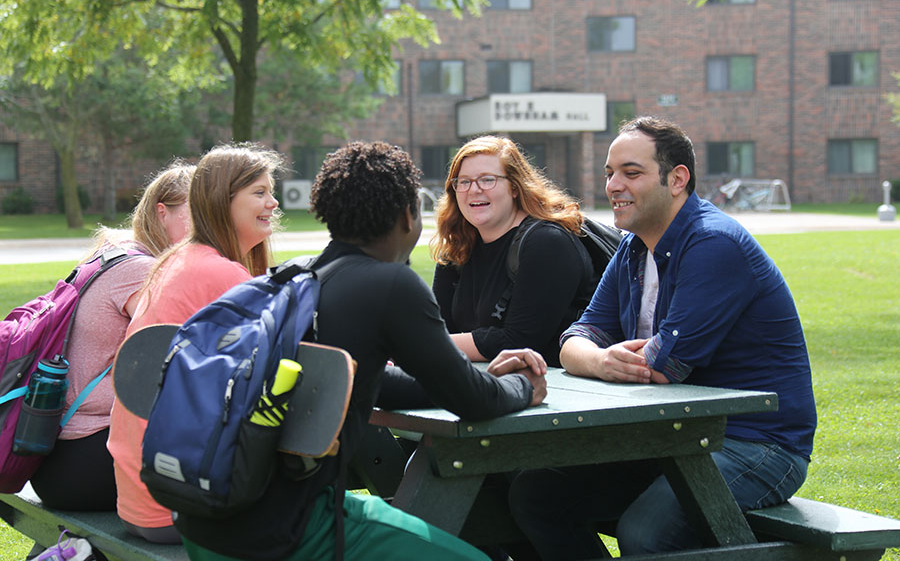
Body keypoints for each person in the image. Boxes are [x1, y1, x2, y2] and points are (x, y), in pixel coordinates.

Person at [175, 141, 548, 561]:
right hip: (285, 532)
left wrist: (484, 377)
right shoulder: (390, 284)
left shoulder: (296, 278)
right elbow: (472, 402)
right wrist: (522, 386)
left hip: (206, 519)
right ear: (408, 215)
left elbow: (374, 381)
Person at [508, 117, 817, 558]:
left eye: (631, 173)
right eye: (609, 173)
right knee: (538, 492)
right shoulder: (634, 246)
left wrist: (601, 357)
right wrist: (598, 360)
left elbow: (662, 368)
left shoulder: (714, 244)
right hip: (674, 437)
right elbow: (574, 339)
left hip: (757, 444)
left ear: (677, 179)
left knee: (646, 533)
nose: (614, 185)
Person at [107, 143, 282, 544]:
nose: (273, 202)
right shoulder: (220, 273)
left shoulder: (179, 258)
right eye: (259, 192)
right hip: (177, 505)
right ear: (222, 201)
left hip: (139, 497)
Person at [29, 161, 194, 512]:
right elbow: (186, 353)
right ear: (162, 212)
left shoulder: (112, 254)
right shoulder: (141, 272)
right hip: (87, 457)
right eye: (197, 214)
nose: (207, 226)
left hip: (52, 454)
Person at [431, 135, 594, 367]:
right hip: (483, 383)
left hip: (561, 391)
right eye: (464, 182)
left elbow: (519, 341)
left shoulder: (548, 243)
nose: (474, 190)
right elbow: (439, 327)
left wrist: (429, 345)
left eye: (487, 180)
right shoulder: (458, 247)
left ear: (515, 188)